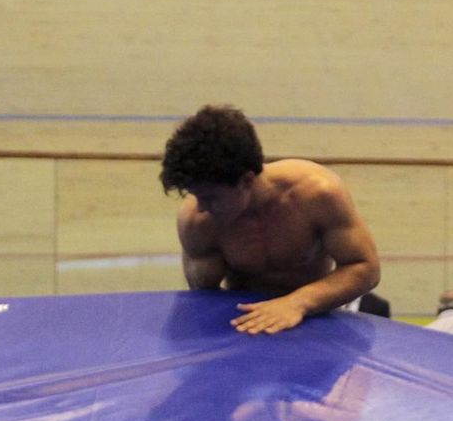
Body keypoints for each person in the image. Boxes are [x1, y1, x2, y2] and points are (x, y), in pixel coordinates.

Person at [159, 104, 381, 334]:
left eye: (211, 197)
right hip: (253, 319)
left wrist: (298, 303)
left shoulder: (317, 194)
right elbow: (205, 300)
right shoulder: (197, 222)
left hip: (321, 310)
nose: (202, 207)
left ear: (246, 181)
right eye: (195, 196)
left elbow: (365, 267)